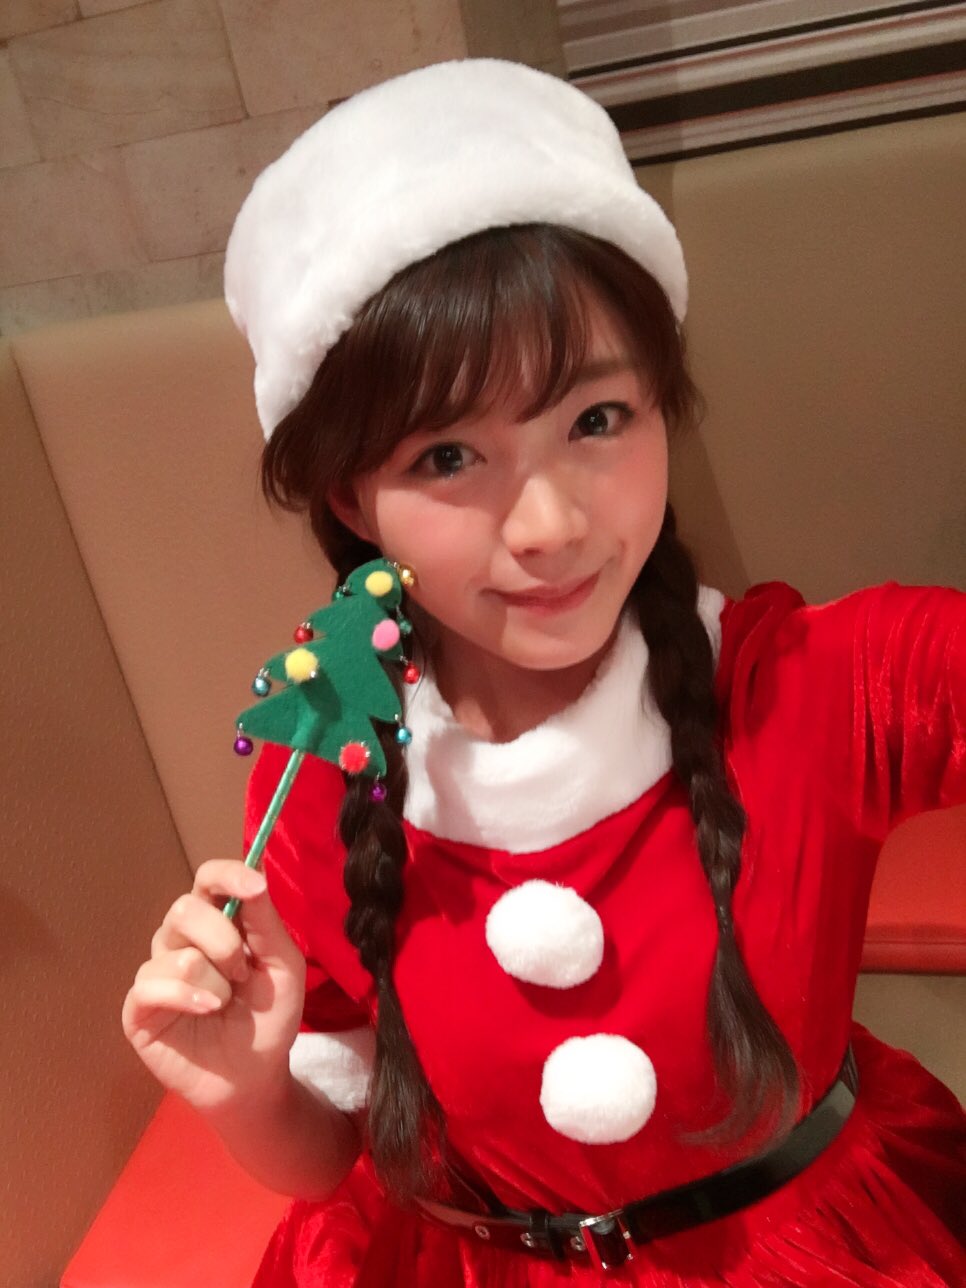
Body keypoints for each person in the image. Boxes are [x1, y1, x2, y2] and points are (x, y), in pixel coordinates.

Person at [121, 58, 966, 1285]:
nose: (551, 526)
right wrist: (244, 1091)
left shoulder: (816, 685)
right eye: (449, 455)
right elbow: (330, 1155)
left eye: (596, 420)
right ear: (352, 497)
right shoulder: (325, 776)